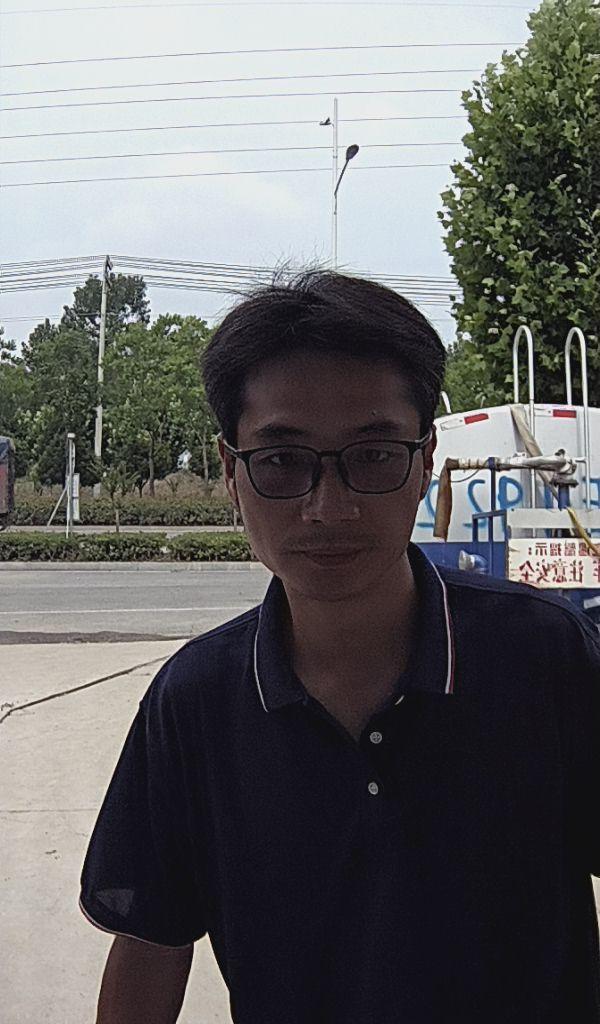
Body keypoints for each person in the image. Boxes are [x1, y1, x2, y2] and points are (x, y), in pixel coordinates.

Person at [80, 271, 600, 1024]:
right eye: (282, 461)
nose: (329, 508)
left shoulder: (546, 657)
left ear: (426, 462)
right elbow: (150, 944)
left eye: (375, 454)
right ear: (230, 473)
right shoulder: (197, 701)